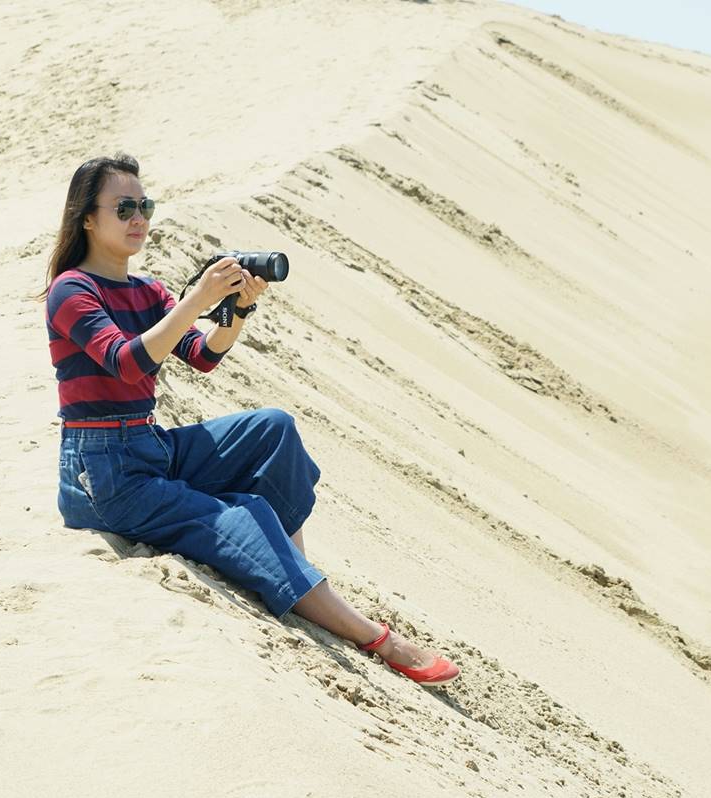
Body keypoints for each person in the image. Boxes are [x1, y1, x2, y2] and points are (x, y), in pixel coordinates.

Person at [38, 153, 459, 686]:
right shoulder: (72, 290)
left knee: (272, 427)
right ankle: (377, 638)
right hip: (101, 474)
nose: (139, 218)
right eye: (124, 208)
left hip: (147, 445)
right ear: (87, 219)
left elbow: (203, 355)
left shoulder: (146, 290)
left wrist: (234, 310)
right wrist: (197, 298)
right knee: (244, 515)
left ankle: (297, 577)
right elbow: (127, 362)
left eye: (145, 206)